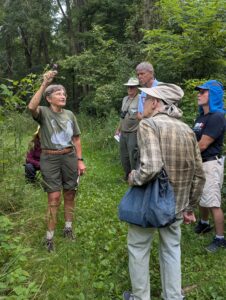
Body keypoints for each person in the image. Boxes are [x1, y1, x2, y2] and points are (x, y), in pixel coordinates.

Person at [123, 83, 205, 300]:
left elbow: (151, 167)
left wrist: (133, 177)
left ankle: (140, 297)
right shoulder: (188, 130)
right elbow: (199, 174)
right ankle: (174, 296)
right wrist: (190, 207)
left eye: (147, 99)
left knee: (139, 247)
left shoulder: (149, 125)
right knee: (171, 249)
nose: (145, 102)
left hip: (150, 204)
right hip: (177, 205)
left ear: (156, 103)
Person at [27, 70, 86, 252]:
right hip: (50, 157)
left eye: (64, 93)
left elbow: (76, 139)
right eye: (58, 93)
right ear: (49, 98)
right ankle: (49, 237)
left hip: (69, 156)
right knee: (54, 196)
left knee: (70, 192)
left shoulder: (69, 115)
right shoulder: (43, 112)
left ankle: (68, 227)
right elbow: (31, 107)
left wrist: (80, 160)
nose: (63, 96)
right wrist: (45, 83)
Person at [193, 80, 226, 252]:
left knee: (213, 201)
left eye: (203, 92)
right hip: (200, 162)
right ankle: (204, 224)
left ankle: (220, 238)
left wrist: (185, 155)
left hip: (211, 163)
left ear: (213, 95)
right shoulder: (201, 117)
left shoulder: (217, 116)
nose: (199, 94)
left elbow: (203, 145)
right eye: (199, 92)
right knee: (201, 196)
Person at [115, 77, 140, 180]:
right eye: (128, 87)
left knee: (132, 155)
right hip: (123, 131)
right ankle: (126, 174)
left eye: (132, 87)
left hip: (134, 131)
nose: (130, 89)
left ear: (136, 88)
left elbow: (143, 116)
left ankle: (134, 177)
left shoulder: (141, 99)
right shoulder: (125, 99)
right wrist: (118, 128)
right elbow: (122, 116)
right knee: (123, 155)